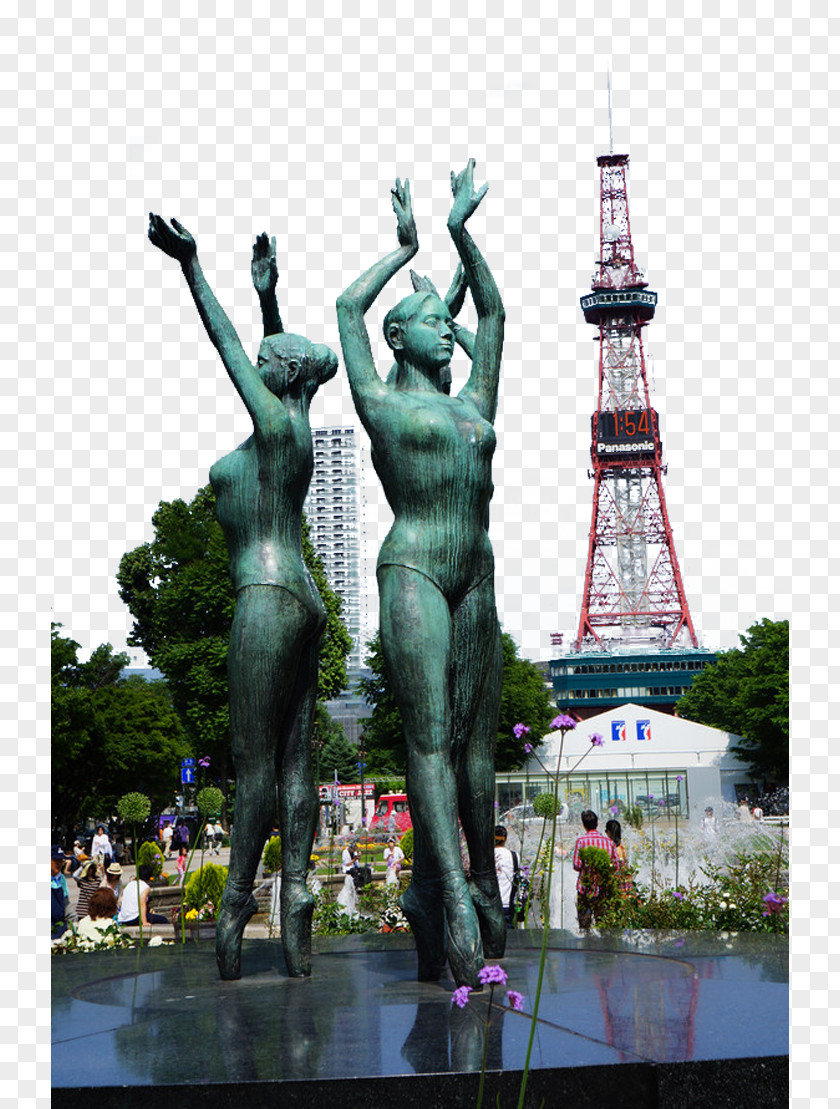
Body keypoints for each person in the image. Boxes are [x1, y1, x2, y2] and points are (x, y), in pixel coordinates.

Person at [149, 215, 338, 981]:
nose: (258, 364)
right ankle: (296, 905)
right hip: (302, 600)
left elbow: (232, 350)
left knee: (257, 770)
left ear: (279, 380)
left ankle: (233, 908)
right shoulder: (289, 431)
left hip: (263, 598)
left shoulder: (274, 425)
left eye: (269, 363)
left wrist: (194, 268)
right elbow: (272, 354)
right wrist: (272, 300)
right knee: (295, 767)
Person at [336, 162, 506, 988]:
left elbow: (498, 312)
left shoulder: (476, 401)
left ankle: (478, 879)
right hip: (414, 569)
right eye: (431, 322)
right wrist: (403, 247)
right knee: (430, 734)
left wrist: (459, 231)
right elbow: (344, 309)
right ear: (398, 336)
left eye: (449, 320)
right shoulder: (381, 400)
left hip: (477, 572)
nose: (448, 330)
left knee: (475, 747)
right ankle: (451, 895)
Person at [572, 811, 618, 933]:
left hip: (585, 888)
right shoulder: (609, 842)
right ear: (597, 823)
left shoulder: (581, 841)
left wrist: (587, 866)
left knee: (584, 926)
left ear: (583, 825)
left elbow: (576, 865)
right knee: (603, 924)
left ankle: (588, 948)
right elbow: (615, 866)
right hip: (603, 888)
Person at [494, 826, 517, 929]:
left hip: (490, 905)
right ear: (505, 839)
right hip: (508, 903)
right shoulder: (514, 856)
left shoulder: (487, 856)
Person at [51, 847, 77, 938]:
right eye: (55, 861)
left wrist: (73, 924)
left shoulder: (61, 878)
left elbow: (66, 904)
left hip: (60, 930)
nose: (59, 864)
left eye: (60, 861)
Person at [604, 819, 633, 896]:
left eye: (606, 831)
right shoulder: (621, 847)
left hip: (616, 884)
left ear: (609, 832)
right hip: (625, 882)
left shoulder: (611, 848)